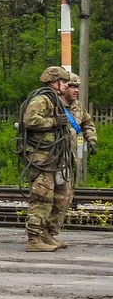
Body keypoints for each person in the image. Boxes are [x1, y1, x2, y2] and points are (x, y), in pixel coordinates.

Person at [20, 66, 74, 253]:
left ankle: (47, 233)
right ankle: (34, 239)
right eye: (64, 81)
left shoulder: (55, 101)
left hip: (53, 155)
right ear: (53, 81)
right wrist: (53, 122)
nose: (67, 85)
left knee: (61, 194)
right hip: (41, 156)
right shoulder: (41, 99)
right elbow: (30, 120)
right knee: (42, 196)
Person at [50, 72, 99, 248]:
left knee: (65, 197)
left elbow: (87, 123)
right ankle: (42, 234)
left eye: (77, 87)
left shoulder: (77, 106)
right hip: (52, 158)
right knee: (52, 197)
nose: (75, 90)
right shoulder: (53, 104)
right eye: (72, 86)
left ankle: (51, 233)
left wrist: (91, 139)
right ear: (63, 87)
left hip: (68, 158)